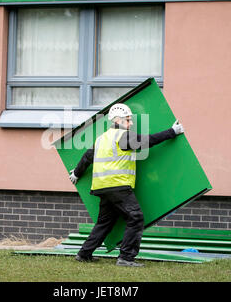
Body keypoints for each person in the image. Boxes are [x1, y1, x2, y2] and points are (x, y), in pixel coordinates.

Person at [68, 103, 185, 267]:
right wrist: (172, 132)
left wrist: (76, 173)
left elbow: (87, 157)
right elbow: (147, 141)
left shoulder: (102, 138)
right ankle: (126, 258)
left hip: (102, 187)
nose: (130, 124)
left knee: (105, 223)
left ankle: (84, 254)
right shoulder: (123, 136)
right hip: (118, 186)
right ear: (117, 120)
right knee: (136, 218)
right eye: (128, 120)